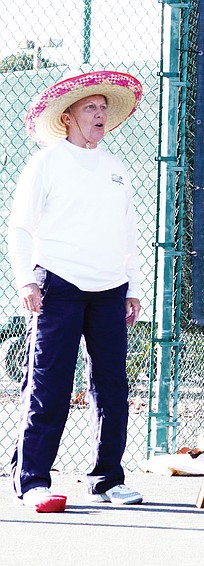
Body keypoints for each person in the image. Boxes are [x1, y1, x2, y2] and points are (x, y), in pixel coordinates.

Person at [8, 71, 145, 512]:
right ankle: (32, 481)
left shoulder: (117, 170)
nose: (100, 114)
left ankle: (107, 480)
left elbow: (128, 233)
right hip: (58, 287)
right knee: (49, 384)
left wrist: (133, 287)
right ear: (67, 117)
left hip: (110, 291)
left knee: (112, 387)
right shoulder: (46, 163)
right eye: (90, 107)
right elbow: (21, 227)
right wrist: (26, 280)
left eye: (103, 107)